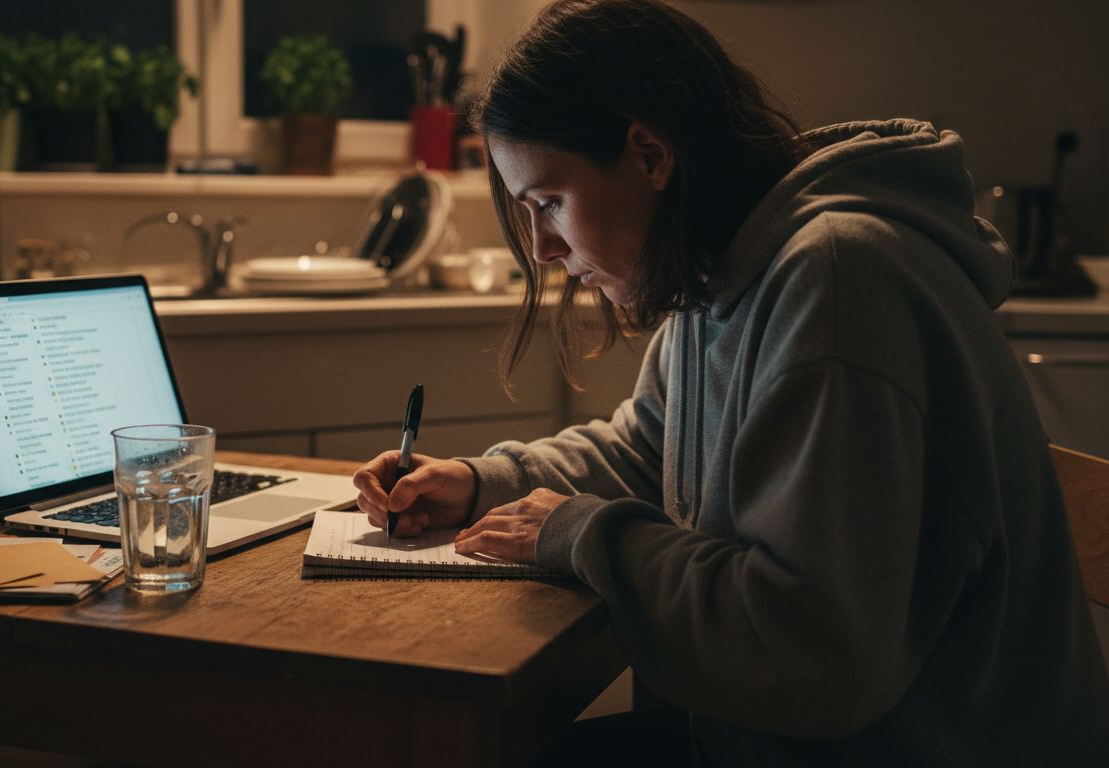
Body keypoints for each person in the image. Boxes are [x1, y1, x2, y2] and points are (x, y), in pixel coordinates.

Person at [353, 0, 1109, 764]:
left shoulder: (838, 283)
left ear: (650, 156)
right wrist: (483, 483)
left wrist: (579, 532)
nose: (543, 246)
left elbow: (808, 653)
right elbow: (648, 449)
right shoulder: (720, 271)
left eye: (550, 203)